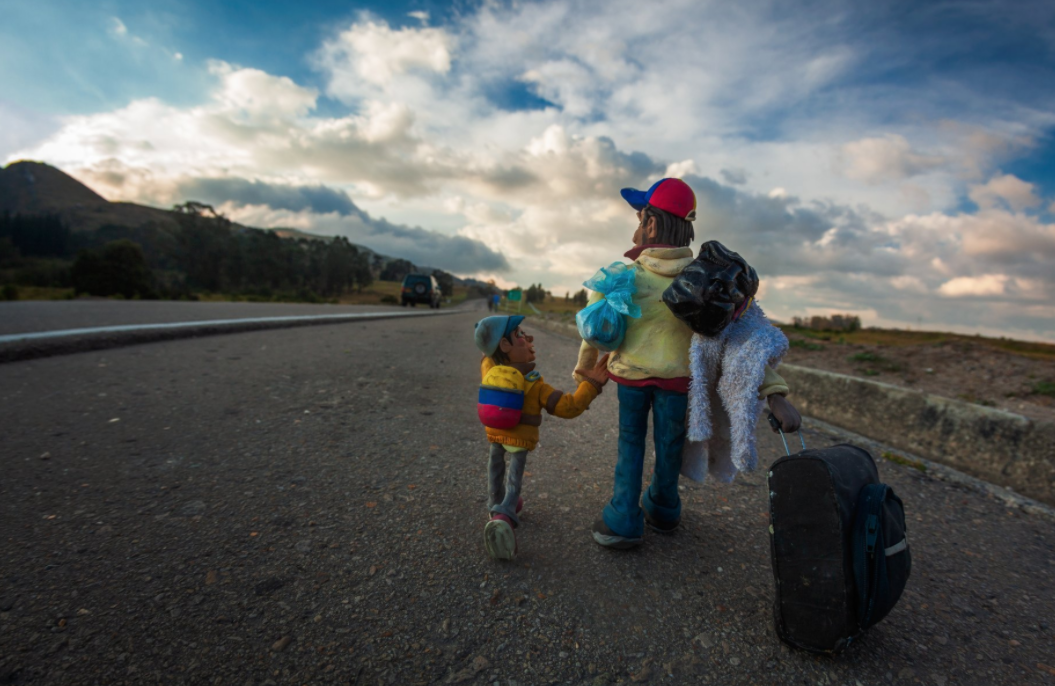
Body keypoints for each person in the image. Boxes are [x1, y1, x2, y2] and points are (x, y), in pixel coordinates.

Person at [574, 178, 800, 549]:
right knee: (669, 444)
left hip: (631, 380)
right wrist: (774, 391)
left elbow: (592, 328)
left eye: (639, 215)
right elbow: (745, 340)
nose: (636, 224)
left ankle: (623, 517)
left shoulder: (623, 276)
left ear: (649, 223)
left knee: (630, 443)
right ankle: (663, 507)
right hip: (679, 383)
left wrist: (584, 369)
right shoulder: (708, 281)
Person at [474, 315, 610, 560]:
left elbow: (488, 354)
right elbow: (568, 407)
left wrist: (492, 340)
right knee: (514, 477)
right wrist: (591, 384)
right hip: (519, 439)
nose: (529, 339)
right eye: (520, 336)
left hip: (494, 433)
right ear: (504, 346)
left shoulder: (489, 368)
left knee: (495, 467)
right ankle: (504, 514)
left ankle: (495, 504)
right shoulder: (534, 386)